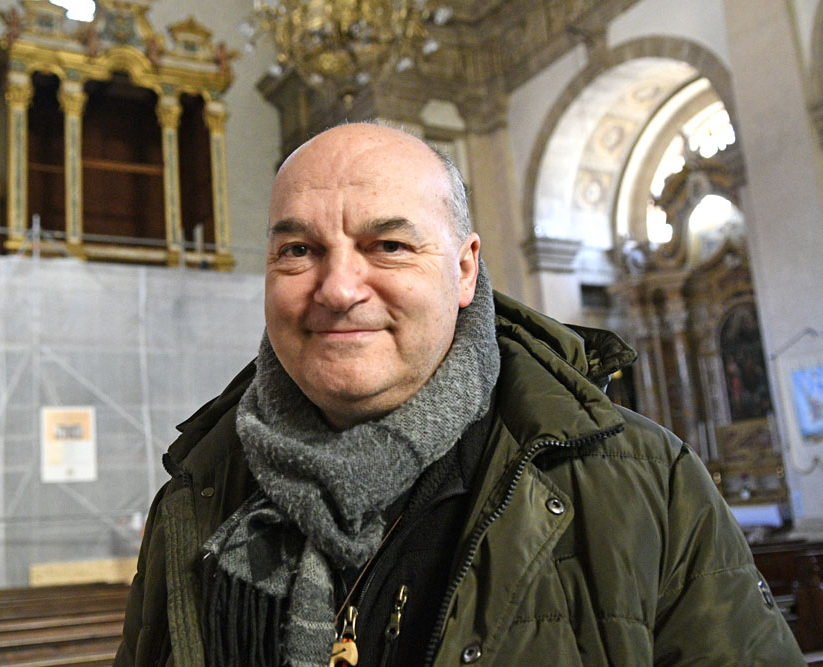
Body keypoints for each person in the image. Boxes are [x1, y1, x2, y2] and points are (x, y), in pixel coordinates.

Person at [115, 123, 803, 666]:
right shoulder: (196, 494)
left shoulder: (648, 484)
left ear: (466, 267)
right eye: (298, 250)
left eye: (387, 244)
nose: (339, 288)